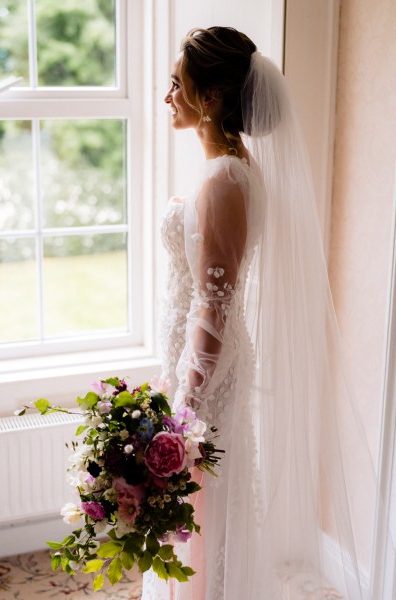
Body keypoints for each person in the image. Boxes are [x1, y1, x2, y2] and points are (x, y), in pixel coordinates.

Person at [142, 26, 384, 600]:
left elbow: (214, 305)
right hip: (194, 360)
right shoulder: (223, 169)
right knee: (196, 507)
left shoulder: (225, 178)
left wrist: (187, 403)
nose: (167, 96)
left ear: (214, 98)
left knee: (205, 507)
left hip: (206, 369)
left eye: (177, 84)